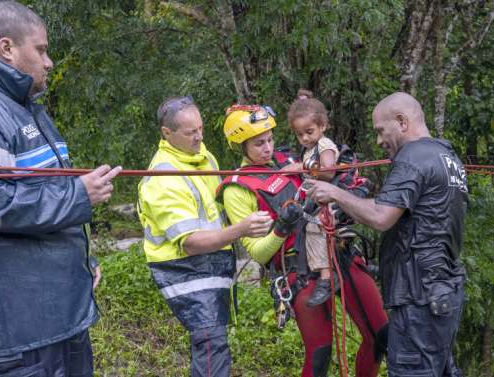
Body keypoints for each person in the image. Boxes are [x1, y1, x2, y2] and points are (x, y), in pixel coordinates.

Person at [0, 2, 122, 376]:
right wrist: (78, 195)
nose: (49, 62)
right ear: (7, 48)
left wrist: (80, 262)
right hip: (22, 332)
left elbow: (45, 198)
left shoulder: (26, 107)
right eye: (41, 50)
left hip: (62, 315)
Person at [218, 104, 388, 377]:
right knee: (320, 354)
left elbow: (332, 166)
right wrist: (281, 227)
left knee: (381, 335)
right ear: (241, 145)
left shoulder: (290, 159)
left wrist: (350, 188)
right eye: (259, 143)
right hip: (300, 272)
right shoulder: (237, 188)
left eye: (270, 139)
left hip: (340, 254)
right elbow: (259, 254)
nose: (268, 148)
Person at [305, 92, 468, 377]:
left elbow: (381, 216)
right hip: (443, 292)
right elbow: (408, 215)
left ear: (402, 122)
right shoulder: (447, 156)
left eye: (381, 131)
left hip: (419, 299)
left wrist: (334, 192)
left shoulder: (413, 156)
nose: (379, 141)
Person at [137, 96, 272, 377]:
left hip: (211, 263)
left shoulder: (202, 155)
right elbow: (190, 242)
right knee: (211, 344)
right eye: (190, 132)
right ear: (167, 133)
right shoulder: (164, 177)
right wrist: (241, 229)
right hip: (183, 269)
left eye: (200, 129)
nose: (199, 137)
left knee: (215, 342)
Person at [285, 89, 342, 306]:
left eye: (309, 131)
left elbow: (328, 170)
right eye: (300, 135)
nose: (305, 138)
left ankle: (327, 279)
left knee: (314, 229)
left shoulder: (324, 145)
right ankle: (318, 273)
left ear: (322, 126)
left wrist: (300, 166)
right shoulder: (310, 150)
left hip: (328, 201)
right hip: (316, 201)